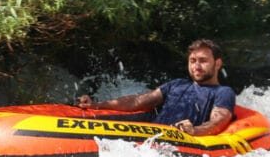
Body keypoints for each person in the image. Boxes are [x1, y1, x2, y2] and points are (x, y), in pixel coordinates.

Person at [76, 38, 235, 136]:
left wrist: (195, 130)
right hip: (149, 138)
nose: (196, 66)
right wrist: (96, 105)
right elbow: (138, 101)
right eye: (192, 61)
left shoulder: (223, 92)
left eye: (203, 60)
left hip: (177, 145)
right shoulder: (177, 84)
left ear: (218, 63)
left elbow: (218, 122)